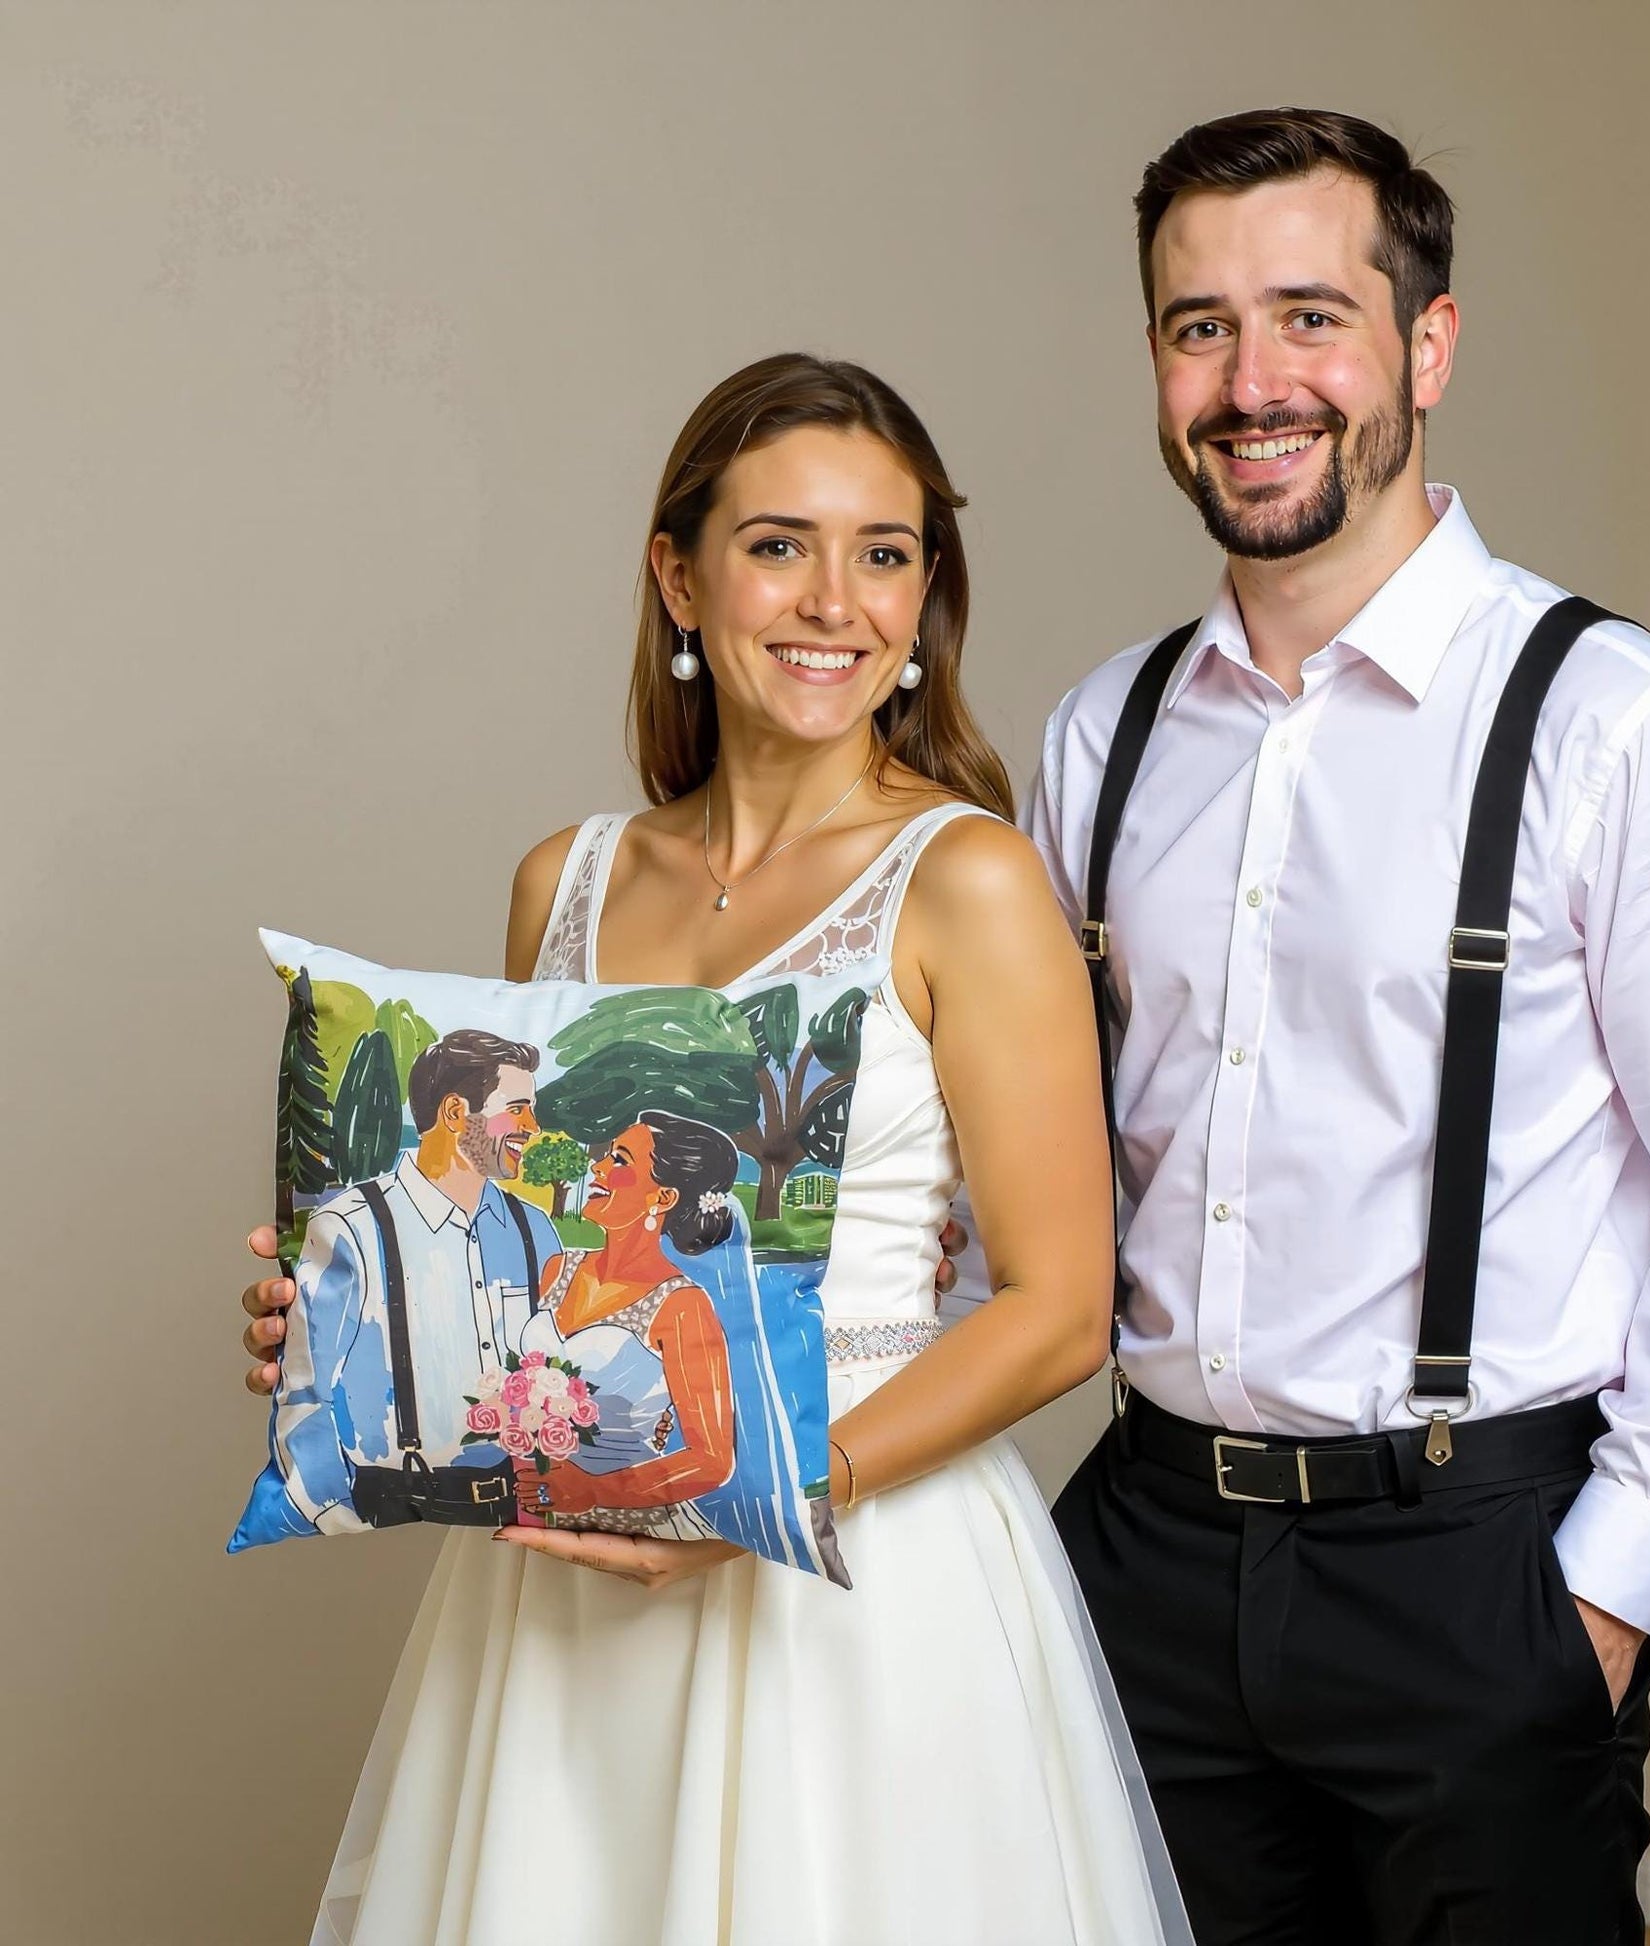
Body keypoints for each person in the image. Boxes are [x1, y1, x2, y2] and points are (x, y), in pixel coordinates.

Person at [1011, 108, 1650, 1945]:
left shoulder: (1627, 729)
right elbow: (1008, 1171)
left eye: (1310, 315)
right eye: (1201, 327)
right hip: (1147, 1556)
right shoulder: (1099, 738)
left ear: (1428, 345)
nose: (1253, 383)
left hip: (1476, 1571)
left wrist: (1599, 1599)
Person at [238, 352, 1194, 1946]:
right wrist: (353, 1311)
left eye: (883, 553)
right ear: (679, 578)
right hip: (561, 1590)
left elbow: (1058, 1308)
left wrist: (759, 1496)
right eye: (776, 545)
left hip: (859, 1569)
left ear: (924, 597)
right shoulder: (563, 880)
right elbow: (539, 1253)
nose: (833, 601)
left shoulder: (968, 880)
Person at [256, 1029, 559, 1539]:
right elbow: (307, 1391)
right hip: (394, 1495)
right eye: (518, 1109)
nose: (533, 1126)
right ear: (455, 1112)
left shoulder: (535, 1230)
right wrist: (327, 1509)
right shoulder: (351, 1227)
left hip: (532, 1508)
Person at [513, 1112, 740, 1541]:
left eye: (619, 1160)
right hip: (532, 1508)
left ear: (664, 1197)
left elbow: (712, 1459)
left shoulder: (682, 1306)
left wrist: (593, 1490)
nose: (597, 1167)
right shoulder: (558, 1270)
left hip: (636, 1524)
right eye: (606, 1155)